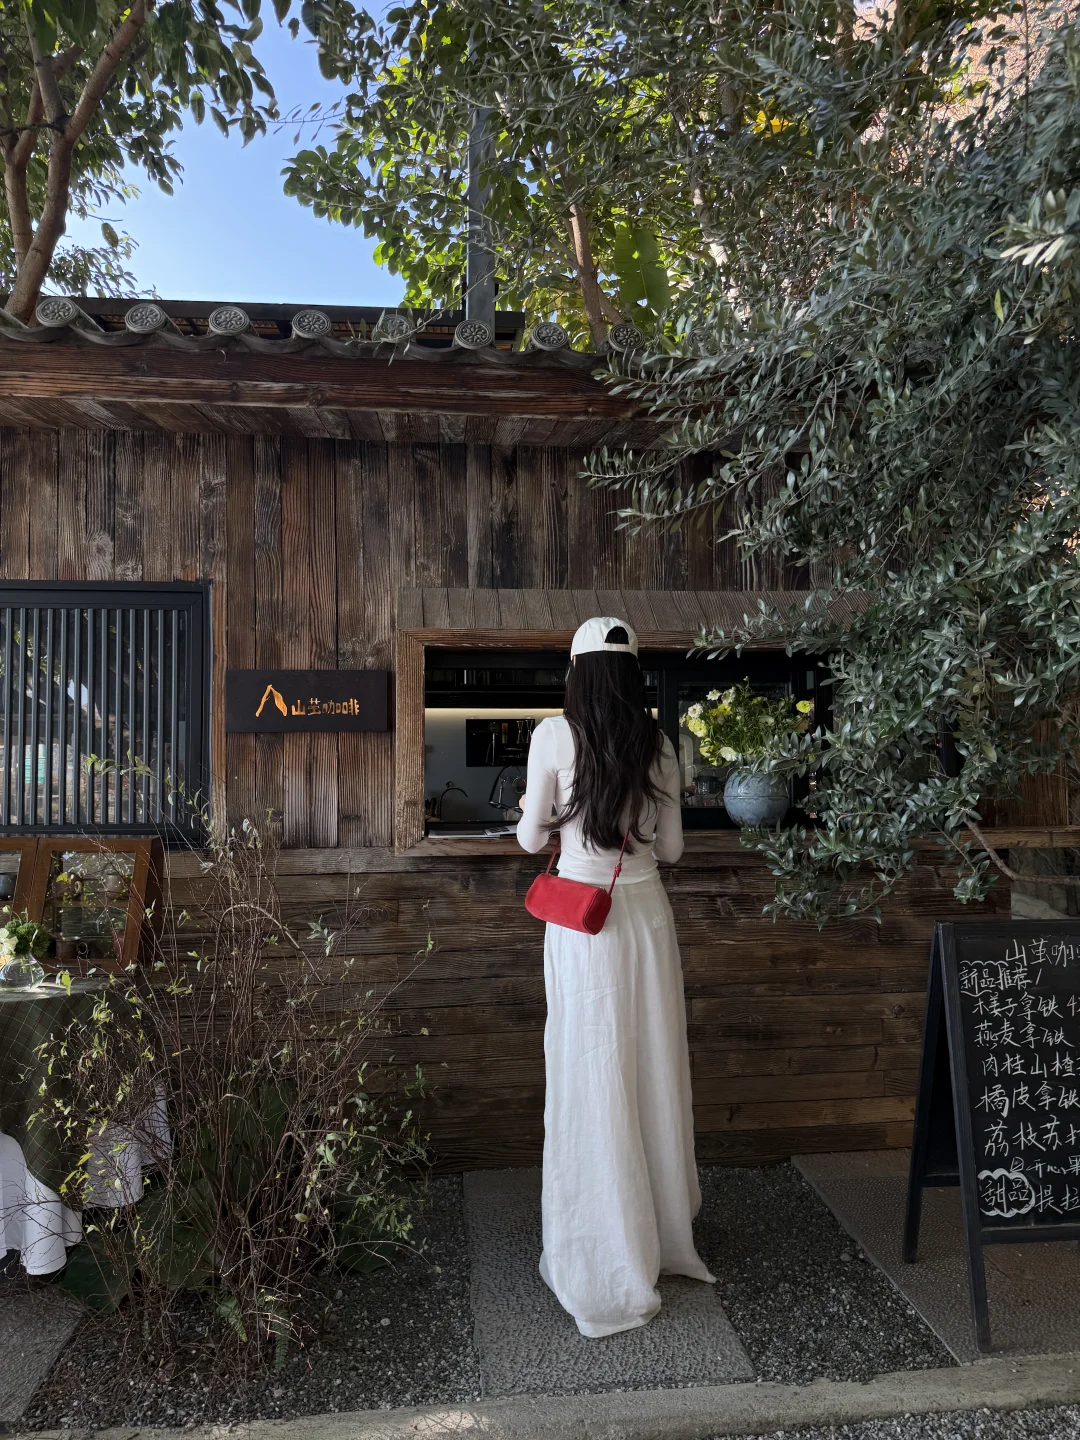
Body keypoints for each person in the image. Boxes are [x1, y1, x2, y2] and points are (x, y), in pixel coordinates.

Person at [516, 616, 715, 1339]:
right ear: (633, 675)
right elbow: (675, 850)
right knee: (652, 1066)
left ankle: (600, 1247)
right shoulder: (660, 744)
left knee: (591, 1070)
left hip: (584, 925)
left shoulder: (553, 734)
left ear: (576, 673)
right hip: (646, 916)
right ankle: (661, 1237)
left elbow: (530, 839)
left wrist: (540, 815)